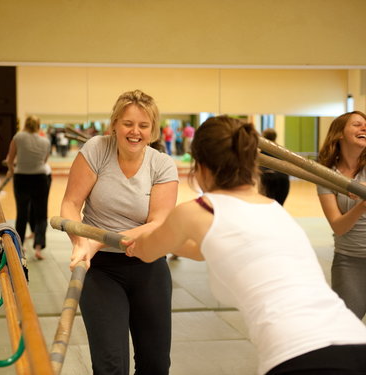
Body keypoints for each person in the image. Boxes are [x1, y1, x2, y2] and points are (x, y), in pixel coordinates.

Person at [124, 115, 366, 375]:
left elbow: (148, 252)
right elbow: (202, 251)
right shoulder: (273, 209)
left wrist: (138, 236)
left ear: (201, 167)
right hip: (354, 341)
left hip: (300, 355)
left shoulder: (196, 211)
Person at [60, 89, 178, 375]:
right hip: (101, 270)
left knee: (155, 365)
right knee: (110, 365)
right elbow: (70, 204)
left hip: (148, 264)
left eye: (143, 125)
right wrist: (80, 242)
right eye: (128, 123)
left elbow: (158, 223)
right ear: (114, 124)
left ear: (153, 130)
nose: (135, 131)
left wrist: (98, 242)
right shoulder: (96, 150)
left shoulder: (162, 165)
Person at [317, 110, 366, 320]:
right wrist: (362, 205)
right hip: (349, 262)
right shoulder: (327, 176)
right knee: (347, 330)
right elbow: (338, 226)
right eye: (356, 124)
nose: (364, 128)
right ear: (339, 134)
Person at [6, 115, 51, 260]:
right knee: (41, 214)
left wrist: (12, 171)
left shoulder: (18, 137)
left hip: (22, 178)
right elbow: (44, 161)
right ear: (38, 126)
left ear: (25, 124)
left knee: (22, 213)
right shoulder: (45, 141)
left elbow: (10, 159)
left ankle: (19, 246)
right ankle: (38, 247)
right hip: (40, 178)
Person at [259, 128, 290, 205]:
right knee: (279, 205)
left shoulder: (260, 151)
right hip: (283, 178)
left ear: (263, 137)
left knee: (266, 204)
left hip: (266, 178)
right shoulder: (282, 150)